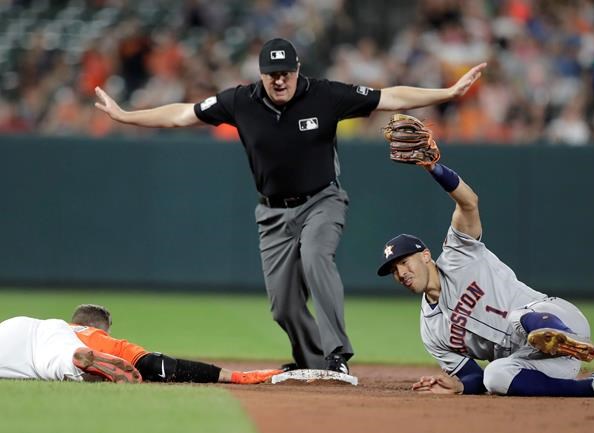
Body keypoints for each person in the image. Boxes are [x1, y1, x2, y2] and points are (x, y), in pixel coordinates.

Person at [94, 37, 486, 373]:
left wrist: (446, 93)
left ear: (297, 69)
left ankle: (336, 355)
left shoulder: (325, 95)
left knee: (316, 257)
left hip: (322, 202)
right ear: (261, 74)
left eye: (285, 72)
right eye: (271, 73)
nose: (279, 80)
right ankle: (311, 360)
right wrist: (126, 116)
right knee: (283, 305)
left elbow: (390, 96)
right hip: (272, 213)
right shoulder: (241, 101)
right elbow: (182, 114)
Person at [376, 156, 594, 397]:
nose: (401, 273)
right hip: (541, 364)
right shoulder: (430, 332)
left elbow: (469, 203)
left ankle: (558, 335)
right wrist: (458, 386)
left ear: (425, 255)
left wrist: (435, 169)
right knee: (494, 376)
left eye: (404, 262)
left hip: (558, 316)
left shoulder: (458, 254)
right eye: (394, 271)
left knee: (517, 317)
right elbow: (473, 377)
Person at [70, 304, 280, 384]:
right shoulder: (101, 340)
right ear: (98, 327)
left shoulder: (51, 330)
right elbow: (160, 366)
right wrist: (234, 376)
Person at [0, 315, 141, 383]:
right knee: (66, 352)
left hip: (9, 347)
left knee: (59, 364)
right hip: (42, 325)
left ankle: (85, 366)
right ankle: (80, 358)